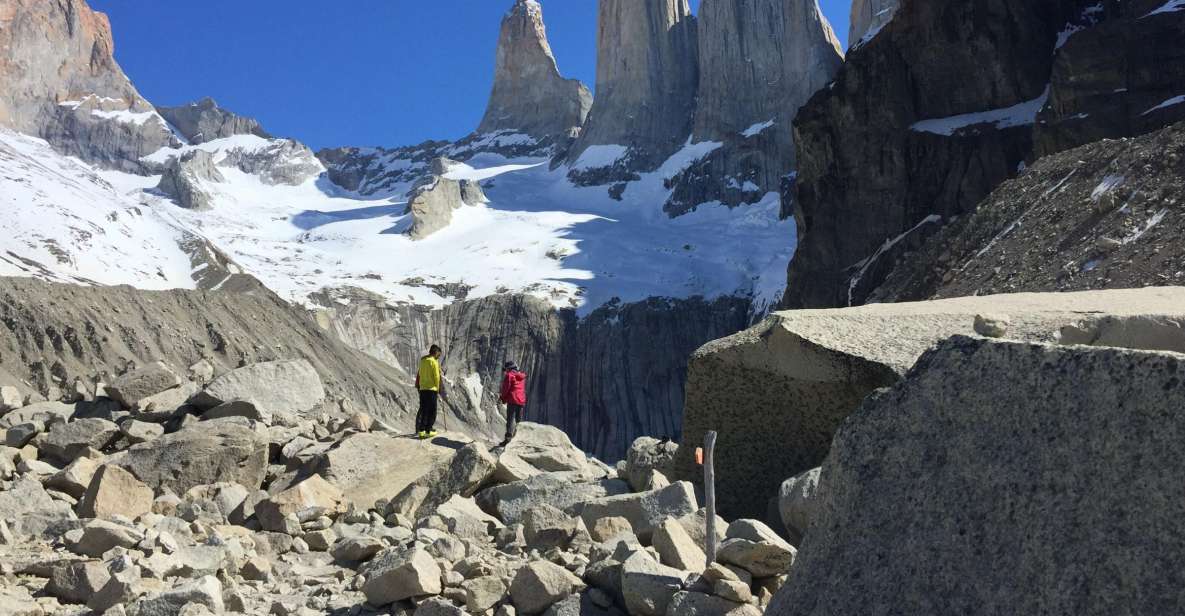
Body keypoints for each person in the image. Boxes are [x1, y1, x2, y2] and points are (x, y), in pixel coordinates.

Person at [416, 344, 443, 439]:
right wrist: (438, 388)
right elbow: (436, 377)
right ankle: (429, 430)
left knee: (424, 409)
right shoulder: (434, 362)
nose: (438, 356)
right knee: (432, 410)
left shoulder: (422, 361)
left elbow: (419, 373)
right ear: (435, 352)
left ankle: (421, 431)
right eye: (438, 354)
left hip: (423, 389)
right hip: (431, 389)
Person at [499, 360, 527, 446]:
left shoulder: (509, 376)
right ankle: (520, 439)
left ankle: (508, 439)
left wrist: (503, 398)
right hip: (521, 401)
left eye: (506, 369)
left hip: (512, 400)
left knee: (510, 420)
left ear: (509, 368)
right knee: (519, 421)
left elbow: (505, 389)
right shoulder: (522, 377)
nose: (505, 371)